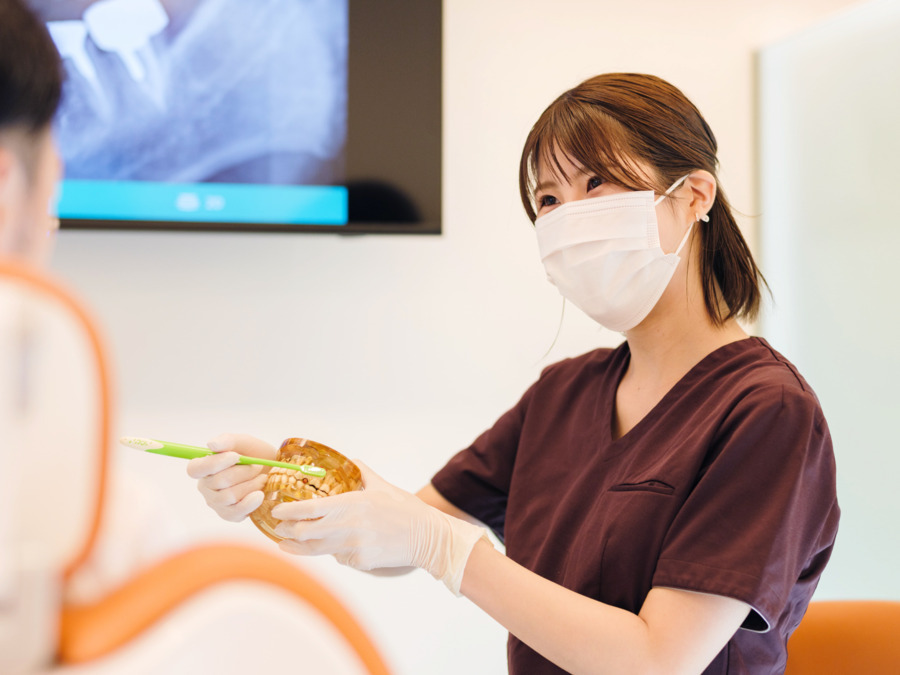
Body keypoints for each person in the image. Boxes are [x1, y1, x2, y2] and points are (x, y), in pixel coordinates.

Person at [189, 73, 840, 674]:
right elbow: (397, 536)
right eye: (548, 199)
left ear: (694, 194)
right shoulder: (564, 395)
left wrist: (449, 551)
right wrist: (283, 482)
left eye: (595, 184)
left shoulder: (766, 413)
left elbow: (656, 661)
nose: (566, 217)